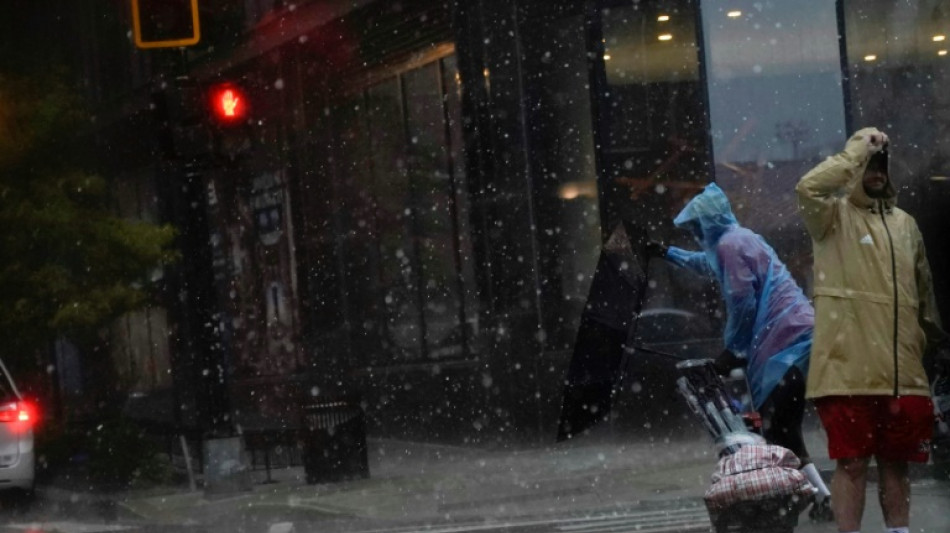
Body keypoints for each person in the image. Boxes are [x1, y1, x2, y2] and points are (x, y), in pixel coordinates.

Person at [646, 183, 833, 520]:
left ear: (707, 223)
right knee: (781, 429)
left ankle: (817, 497)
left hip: (785, 342)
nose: (696, 234)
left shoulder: (731, 245)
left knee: (779, 429)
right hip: (795, 337)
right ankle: (818, 495)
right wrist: (667, 253)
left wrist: (731, 350)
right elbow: (707, 264)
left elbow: (742, 301)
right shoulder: (736, 239)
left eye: (696, 227)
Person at [796, 127, 950, 533]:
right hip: (849, 372)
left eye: (881, 164)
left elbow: (924, 294)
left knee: (897, 465)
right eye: (868, 165)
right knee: (851, 464)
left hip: (902, 373)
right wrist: (856, 151)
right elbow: (807, 188)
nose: (876, 172)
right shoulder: (832, 217)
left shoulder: (906, 225)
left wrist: (933, 345)